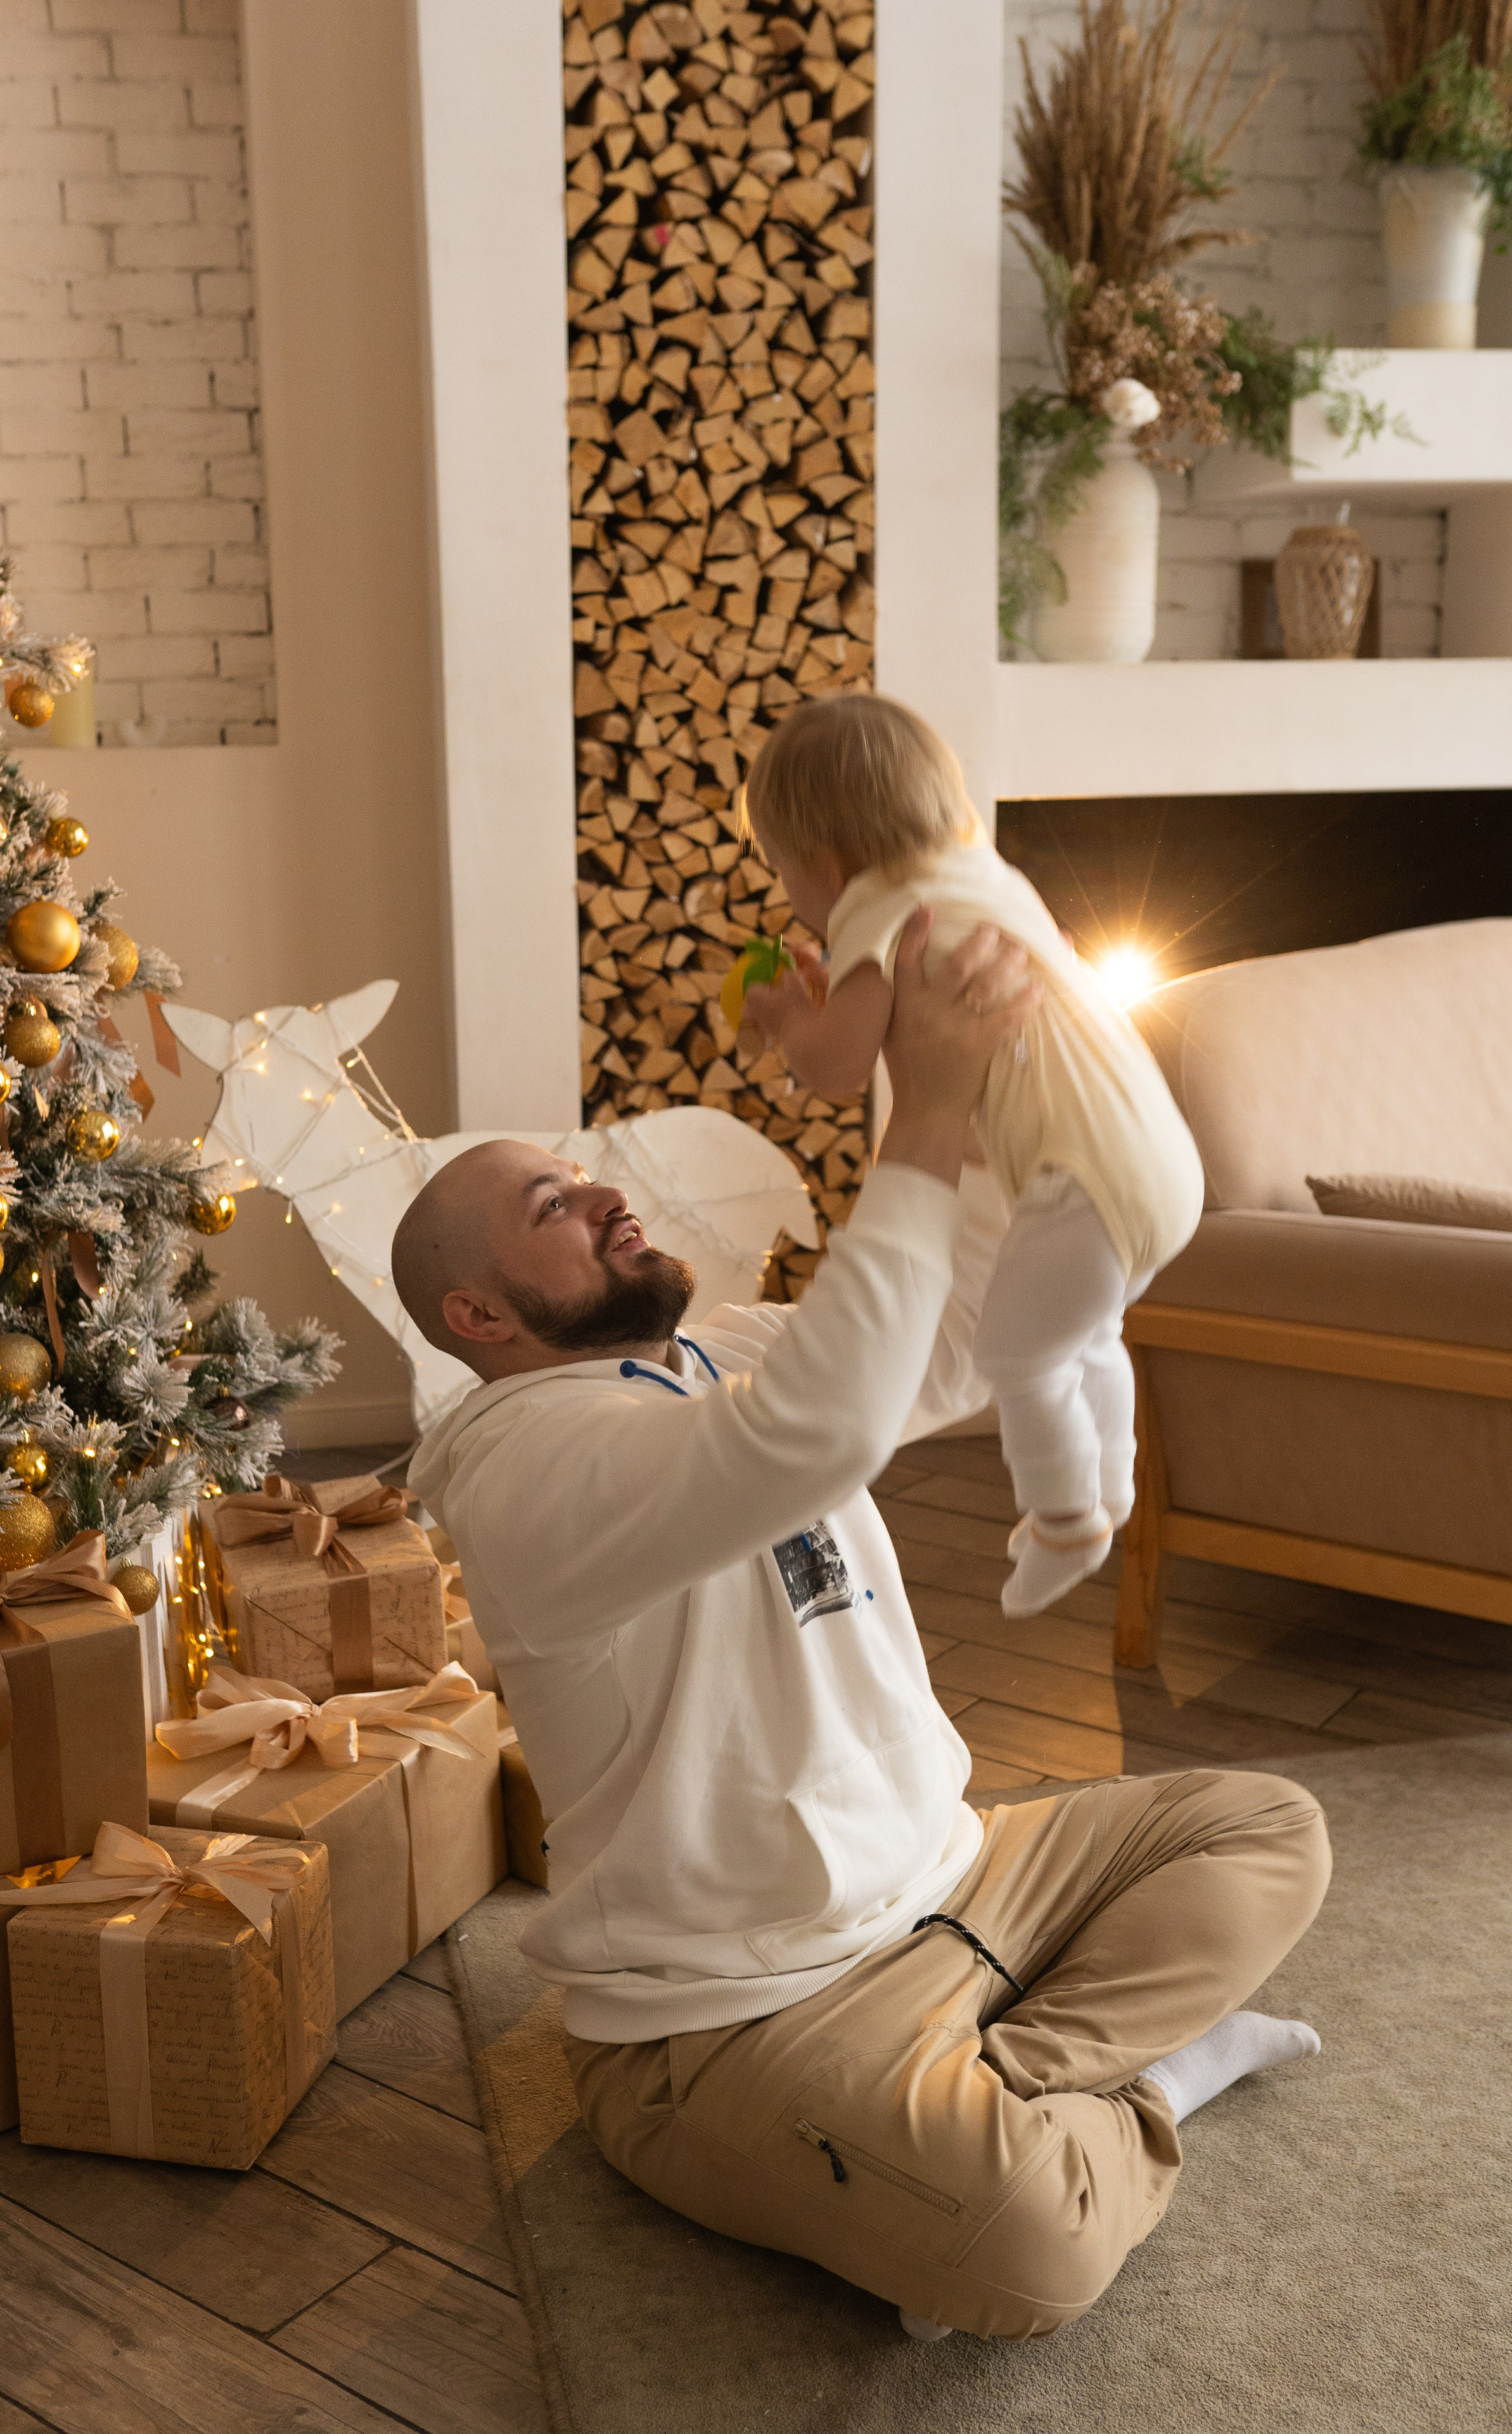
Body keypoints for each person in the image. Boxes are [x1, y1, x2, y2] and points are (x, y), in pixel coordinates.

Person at [393, 914, 1328, 2345]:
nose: (600, 1197)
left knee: (1266, 1828)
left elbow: (985, 1310)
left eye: (587, 1176)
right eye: (550, 1209)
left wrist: (998, 1057)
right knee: (1027, 2258)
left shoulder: (739, 1351)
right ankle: (1139, 2081)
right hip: (736, 2012)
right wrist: (934, 1106)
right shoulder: (525, 1471)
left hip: (959, 1876)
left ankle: (1012, 2085)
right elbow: (810, 1435)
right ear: (479, 1313)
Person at [738, 691, 1207, 1617]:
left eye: (784, 872)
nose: (792, 895)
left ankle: (1066, 1516)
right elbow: (897, 1009)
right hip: (1164, 1167)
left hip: (1080, 1187)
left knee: (1017, 1356)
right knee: (1089, 1335)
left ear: (827, 865)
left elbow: (836, 1067)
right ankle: (1108, 1484)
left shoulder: (879, 907)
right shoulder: (980, 876)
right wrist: (850, 994)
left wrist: (793, 1020)